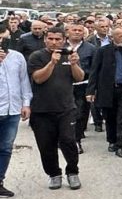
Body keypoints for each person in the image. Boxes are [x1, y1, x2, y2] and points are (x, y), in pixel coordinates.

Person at [27, 26, 84, 190]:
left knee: (68, 141)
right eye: (50, 39)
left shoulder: (69, 54)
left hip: (66, 108)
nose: (54, 42)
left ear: (64, 40)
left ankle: (72, 172)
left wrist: (74, 64)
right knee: (46, 145)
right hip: (41, 110)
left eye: (57, 39)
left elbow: (79, 77)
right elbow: (38, 79)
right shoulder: (37, 56)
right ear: (45, 39)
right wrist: (52, 63)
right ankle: (54, 174)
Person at [86, 27, 122, 158]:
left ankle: (121, 145)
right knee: (109, 117)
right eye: (120, 36)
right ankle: (112, 140)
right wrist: (91, 90)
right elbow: (94, 71)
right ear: (112, 37)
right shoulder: (102, 51)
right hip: (107, 89)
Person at [0, 35, 32, 197]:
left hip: (12, 110)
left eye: (5, 39)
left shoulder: (17, 57)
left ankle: (0, 181)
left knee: (6, 147)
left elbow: (23, 81)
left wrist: (26, 103)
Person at [64, 22, 96, 154]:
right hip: (63, 85)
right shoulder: (60, 46)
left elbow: (94, 69)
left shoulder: (91, 48)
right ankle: (64, 138)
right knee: (64, 114)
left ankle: (77, 140)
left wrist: (93, 88)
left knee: (81, 114)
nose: (77, 32)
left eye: (80, 30)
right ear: (67, 32)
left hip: (83, 85)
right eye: (74, 30)